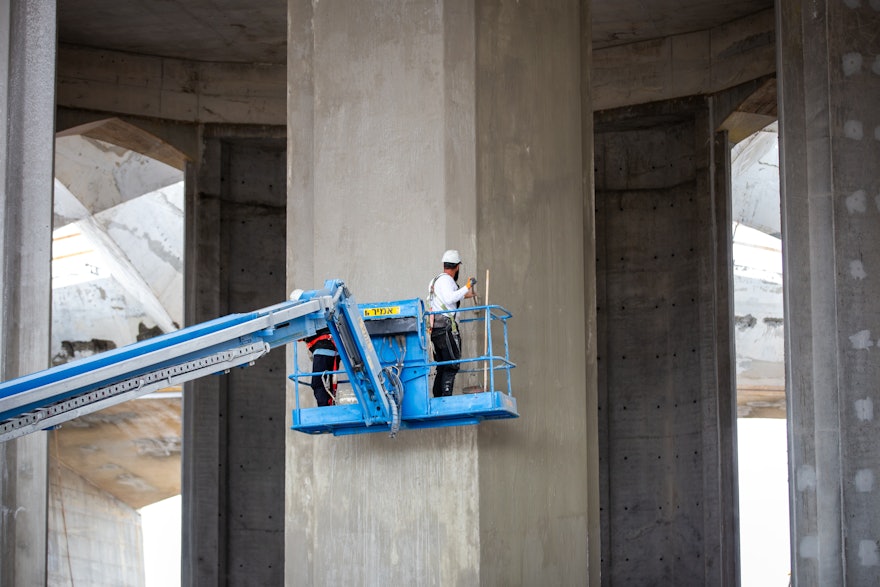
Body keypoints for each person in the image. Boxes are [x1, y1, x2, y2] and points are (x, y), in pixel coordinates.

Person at [427, 249, 476, 398]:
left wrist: (468, 294)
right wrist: (467, 286)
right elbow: (449, 298)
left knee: (442, 365)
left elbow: (447, 297)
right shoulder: (447, 280)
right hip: (447, 328)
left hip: (436, 328)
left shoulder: (435, 281)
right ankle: (446, 397)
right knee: (452, 364)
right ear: (457, 267)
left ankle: (437, 396)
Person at [304, 328, 338, 406]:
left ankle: (324, 408)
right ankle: (329, 404)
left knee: (317, 384)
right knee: (330, 383)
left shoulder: (312, 322)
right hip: (333, 350)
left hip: (323, 349)